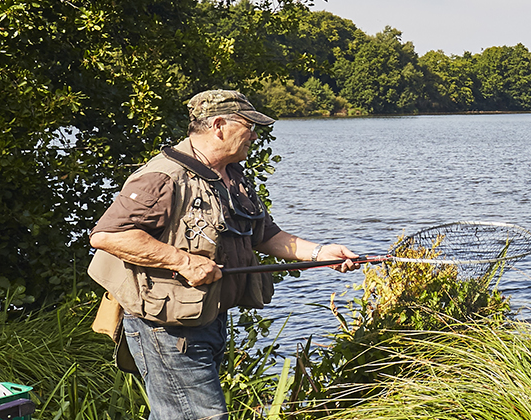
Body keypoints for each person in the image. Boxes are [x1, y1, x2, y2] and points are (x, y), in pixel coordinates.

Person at [86, 89, 359, 419]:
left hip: (208, 320)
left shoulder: (232, 176)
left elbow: (265, 235)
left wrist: (320, 252)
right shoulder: (163, 176)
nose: (255, 135)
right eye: (249, 126)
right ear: (219, 125)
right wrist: (183, 261)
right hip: (166, 330)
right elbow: (108, 235)